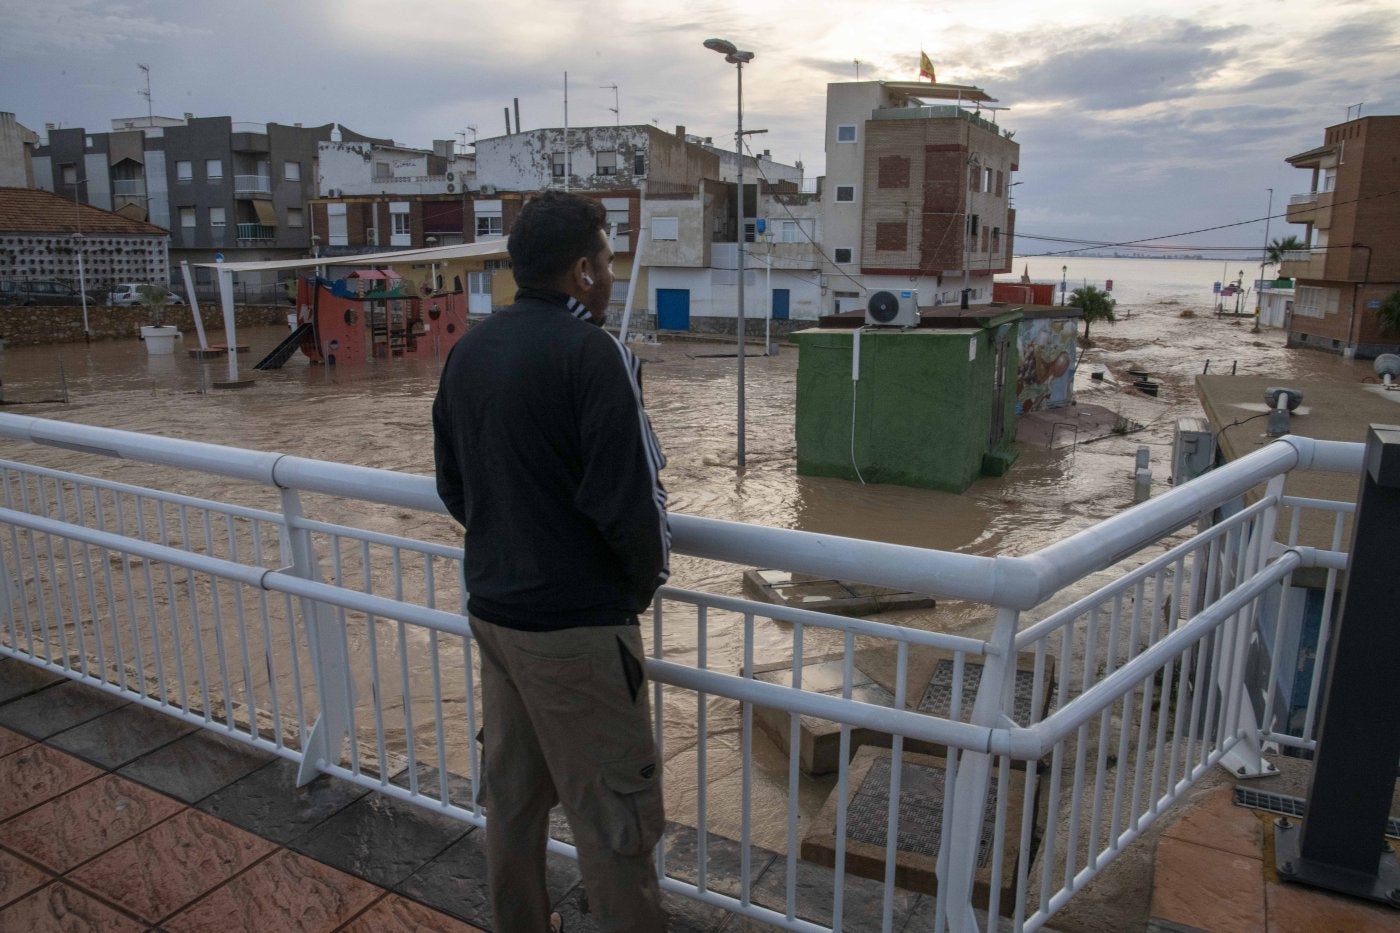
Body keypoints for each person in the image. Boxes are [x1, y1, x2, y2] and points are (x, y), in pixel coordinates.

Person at [433, 190, 671, 933]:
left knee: (513, 800)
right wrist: (627, 593)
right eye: (604, 259)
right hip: (576, 629)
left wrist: (515, 549)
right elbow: (633, 509)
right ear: (581, 270)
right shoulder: (597, 354)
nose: (608, 273)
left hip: (496, 615)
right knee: (616, 820)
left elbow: (454, 484)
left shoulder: (470, 349)